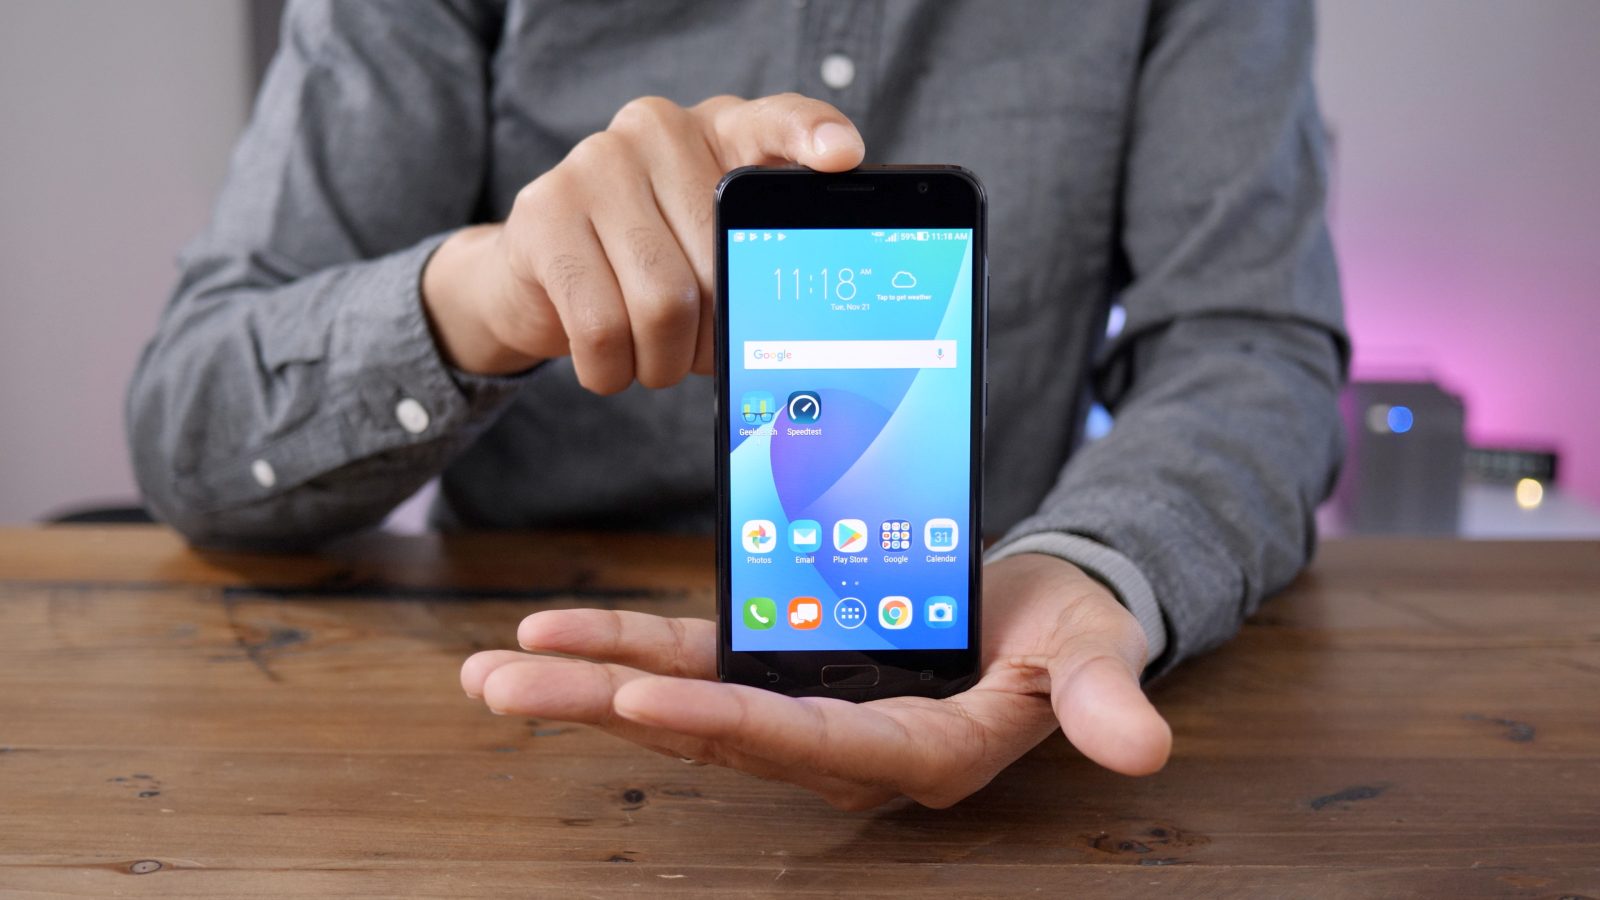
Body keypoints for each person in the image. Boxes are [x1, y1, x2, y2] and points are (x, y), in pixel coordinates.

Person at [127, 1, 1346, 809]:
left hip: (979, 668)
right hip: (513, 739)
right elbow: (193, 420)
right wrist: (491, 294)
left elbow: (1249, 345)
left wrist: (1091, 566)